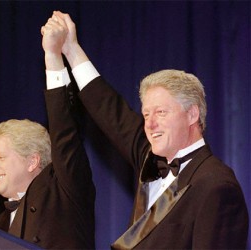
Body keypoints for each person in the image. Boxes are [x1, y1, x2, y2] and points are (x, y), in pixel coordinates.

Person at [41, 11, 249, 249]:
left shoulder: (217, 186)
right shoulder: (149, 158)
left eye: (161, 113)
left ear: (192, 114)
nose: (149, 124)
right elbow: (108, 109)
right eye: (146, 114)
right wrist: (70, 49)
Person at [0, 24, 96, 248]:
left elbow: (65, 131)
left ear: (33, 161)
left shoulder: (65, 193)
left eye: (0, 157)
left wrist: (53, 57)